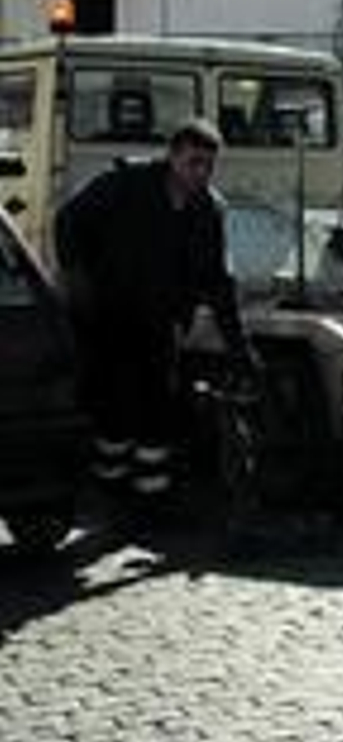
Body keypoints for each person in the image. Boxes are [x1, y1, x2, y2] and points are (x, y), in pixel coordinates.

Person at [55, 118, 261, 496]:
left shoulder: (208, 211)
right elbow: (68, 221)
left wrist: (239, 345)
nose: (201, 172)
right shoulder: (125, 185)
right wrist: (77, 279)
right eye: (194, 162)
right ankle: (110, 489)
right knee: (111, 408)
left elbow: (217, 280)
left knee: (159, 408)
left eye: (209, 165)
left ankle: (150, 496)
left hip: (161, 322)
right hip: (109, 316)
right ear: (173, 156)